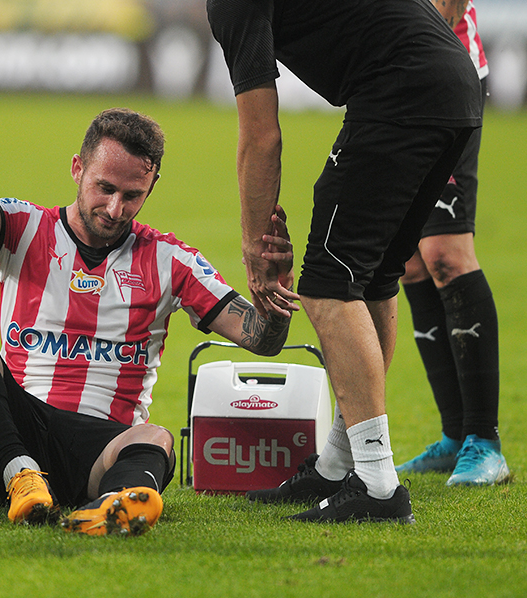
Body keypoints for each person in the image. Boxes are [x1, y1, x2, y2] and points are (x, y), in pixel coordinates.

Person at [0, 107, 295, 535]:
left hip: (100, 450)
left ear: (152, 186)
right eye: (105, 188)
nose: (115, 209)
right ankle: (20, 474)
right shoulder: (23, 227)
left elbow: (262, 340)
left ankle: (112, 506)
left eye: (132, 195)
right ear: (77, 169)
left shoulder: (172, 261)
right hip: (15, 430)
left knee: (155, 437)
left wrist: (273, 299)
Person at [207, 0, 483, 523]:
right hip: (454, 82)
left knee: (328, 284)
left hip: (400, 90)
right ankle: (339, 464)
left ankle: (378, 485)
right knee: (372, 278)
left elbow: (261, 135)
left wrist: (255, 247)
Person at [395, 1, 509, 486]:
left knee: (445, 252)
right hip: (389, 78)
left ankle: (485, 441)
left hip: (443, 67)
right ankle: (455, 434)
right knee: (409, 260)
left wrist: (428, 51)